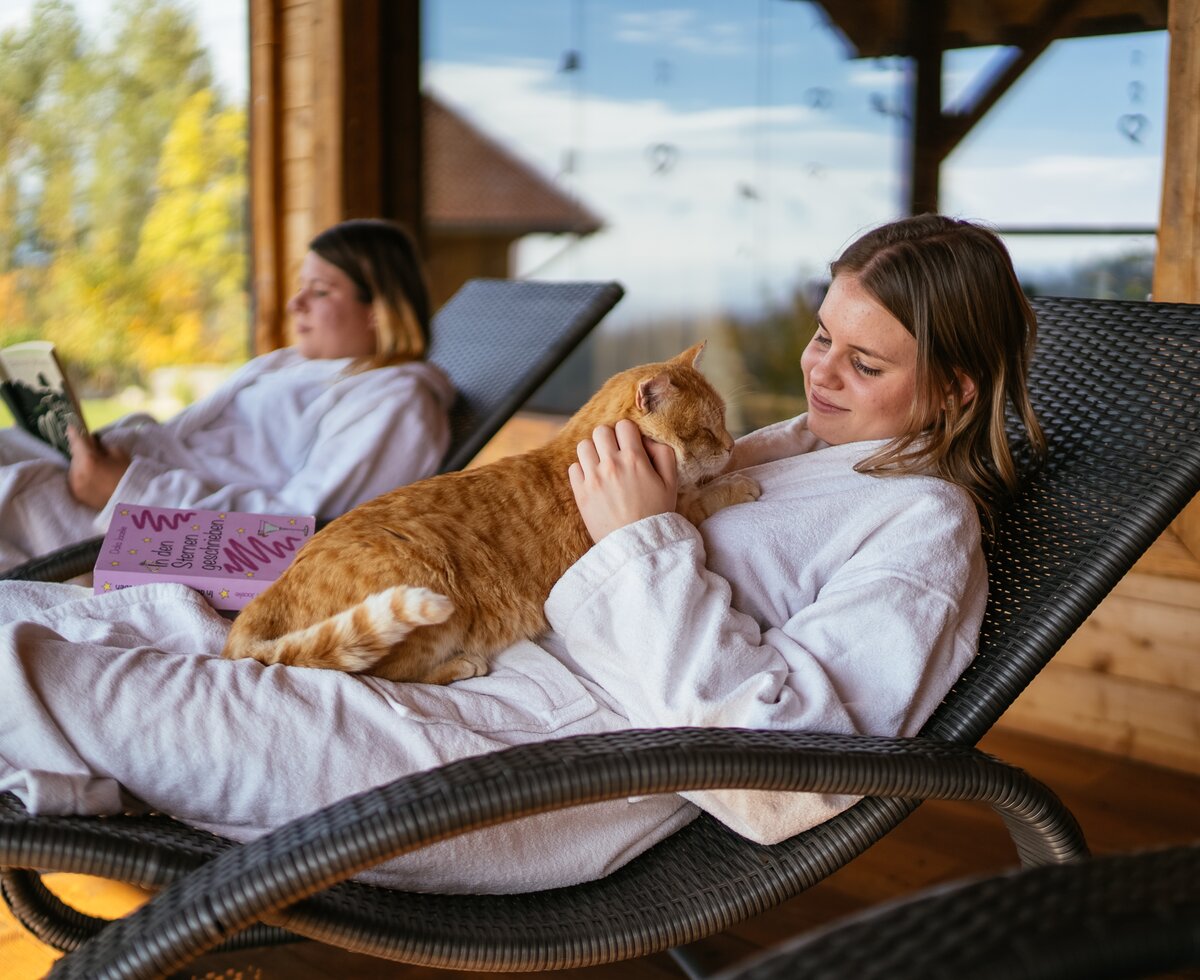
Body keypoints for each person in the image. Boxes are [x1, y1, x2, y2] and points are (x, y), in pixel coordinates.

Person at [0, 214, 1044, 894]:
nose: (820, 372)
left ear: (956, 388)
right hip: (471, 666)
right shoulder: (789, 449)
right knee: (67, 627)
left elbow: (791, 780)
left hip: (522, 757)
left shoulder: (923, 528)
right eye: (820, 335)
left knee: (60, 677)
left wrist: (640, 538)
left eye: (865, 362)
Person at [0, 218, 455, 573]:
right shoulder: (293, 363)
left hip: (141, 527)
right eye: (301, 287)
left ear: (378, 311)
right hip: (114, 482)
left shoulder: (397, 402)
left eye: (319, 291)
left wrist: (128, 489)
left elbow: (297, 535)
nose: (295, 304)